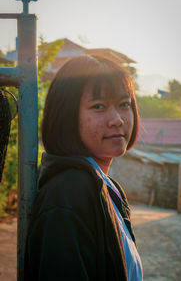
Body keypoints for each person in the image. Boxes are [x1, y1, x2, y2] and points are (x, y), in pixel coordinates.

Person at [24, 54, 143, 281]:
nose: (117, 119)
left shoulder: (105, 186)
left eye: (124, 104)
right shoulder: (68, 192)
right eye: (98, 106)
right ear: (66, 116)